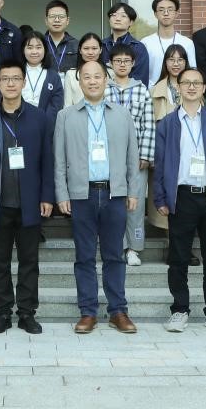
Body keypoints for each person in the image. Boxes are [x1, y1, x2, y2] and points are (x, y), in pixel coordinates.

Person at [54, 60, 141, 334]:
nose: (92, 81)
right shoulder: (66, 116)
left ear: (106, 80)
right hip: (82, 194)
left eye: (97, 76)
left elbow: (132, 157)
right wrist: (62, 193)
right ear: (79, 82)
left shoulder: (122, 115)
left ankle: (118, 311)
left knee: (115, 255)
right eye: (87, 77)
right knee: (84, 256)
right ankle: (88, 311)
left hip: (114, 194)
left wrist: (133, 191)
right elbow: (59, 160)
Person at [0, 60, 55, 335]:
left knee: (29, 261)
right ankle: (3, 312)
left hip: (30, 202)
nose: (10, 83)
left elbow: (47, 160)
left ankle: (27, 313)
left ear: (23, 82)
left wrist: (47, 196)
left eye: (15, 78)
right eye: (5, 78)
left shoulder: (39, 117)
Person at [154, 68, 206, 333]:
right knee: (178, 258)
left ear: (204, 88)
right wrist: (160, 197)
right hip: (182, 196)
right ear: (178, 87)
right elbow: (160, 164)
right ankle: (179, 310)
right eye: (186, 83)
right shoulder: (167, 123)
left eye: (196, 83)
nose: (191, 87)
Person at [105, 44, 154, 267]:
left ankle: (134, 248)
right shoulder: (104, 88)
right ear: (111, 64)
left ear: (133, 63)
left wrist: (145, 155)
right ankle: (118, 246)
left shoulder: (142, 90)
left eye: (126, 61)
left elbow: (148, 125)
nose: (122, 64)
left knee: (135, 204)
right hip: (109, 156)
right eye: (118, 61)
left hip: (136, 156)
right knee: (114, 202)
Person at [147, 44, 189, 234]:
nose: (176, 64)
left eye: (180, 59)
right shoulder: (154, 91)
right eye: (171, 59)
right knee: (165, 197)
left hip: (188, 151)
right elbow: (149, 125)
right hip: (163, 152)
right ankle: (170, 240)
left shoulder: (194, 87)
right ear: (165, 63)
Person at [141, 0, 197, 87]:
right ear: (155, 14)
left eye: (170, 9)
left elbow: (192, 71)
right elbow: (143, 73)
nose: (166, 13)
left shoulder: (187, 43)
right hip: (153, 91)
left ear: (176, 13)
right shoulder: (146, 43)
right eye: (161, 10)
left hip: (180, 91)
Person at [102, 3, 149, 90]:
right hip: (103, 94)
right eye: (114, 15)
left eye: (123, 16)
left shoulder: (138, 47)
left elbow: (140, 79)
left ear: (131, 22)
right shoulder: (101, 45)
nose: (117, 18)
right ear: (109, 19)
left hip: (131, 95)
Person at [20, 30, 64, 117]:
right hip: (17, 122)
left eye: (38, 47)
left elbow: (56, 106)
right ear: (23, 50)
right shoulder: (14, 73)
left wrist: (43, 122)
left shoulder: (54, 76)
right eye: (30, 48)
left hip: (44, 122)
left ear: (45, 49)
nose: (34, 52)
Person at [62, 32, 105, 109]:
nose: (90, 52)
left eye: (94, 48)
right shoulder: (71, 74)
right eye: (86, 48)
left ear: (100, 50)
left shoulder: (110, 73)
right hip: (77, 115)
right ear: (80, 50)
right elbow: (67, 105)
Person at [43, 0, 78, 75]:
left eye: (61, 17)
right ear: (46, 20)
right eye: (52, 16)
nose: (57, 20)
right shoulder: (39, 44)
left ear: (67, 20)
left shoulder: (76, 45)